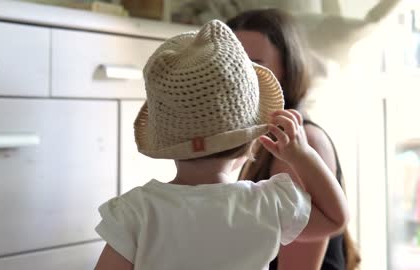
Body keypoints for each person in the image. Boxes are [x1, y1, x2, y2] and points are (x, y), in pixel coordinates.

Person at [92, 19, 349, 270]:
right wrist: (302, 156)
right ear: (251, 141)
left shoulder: (136, 212)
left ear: (166, 141)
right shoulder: (269, 204)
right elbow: (335, 219)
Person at [226, 8, 361, 270]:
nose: (239, 77)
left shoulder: (298, 145)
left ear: (286, 71)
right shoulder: (264, 135)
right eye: (232, 63)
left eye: (256, 65)